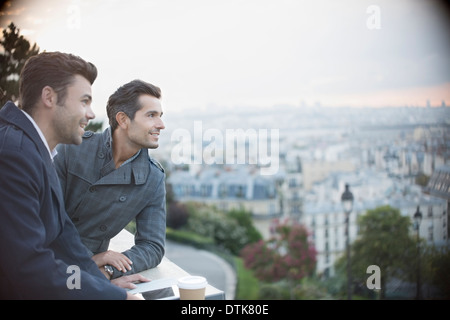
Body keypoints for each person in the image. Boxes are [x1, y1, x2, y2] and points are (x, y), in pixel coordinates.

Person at [0, 51, 147, 299]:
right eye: (84, 101)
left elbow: (67, 246)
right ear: (49, 97)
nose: (91, 114)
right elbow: (30, 267)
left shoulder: (38, 151)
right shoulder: (14, 154)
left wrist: (106, 288)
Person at [54, 79, 166, 281]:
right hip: (43, 260)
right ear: (123, 120)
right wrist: (89, 261)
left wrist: (109, 270)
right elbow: (46, 218)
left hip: (85, 274)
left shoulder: (152, 178)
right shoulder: (72, 149)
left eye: (160, 116)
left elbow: (152, 246)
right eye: (151, 115)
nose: (161, 125)